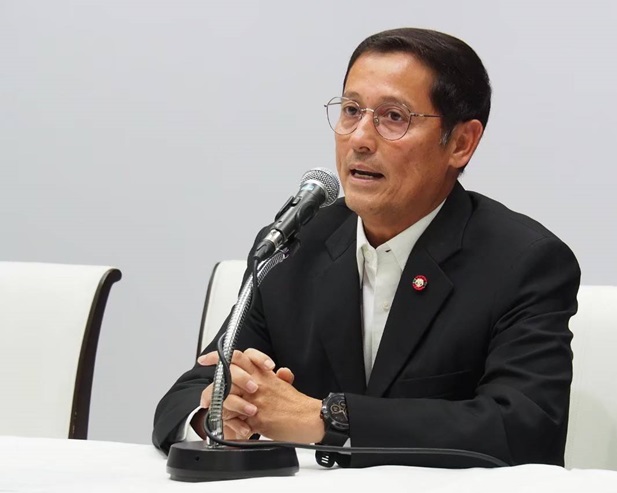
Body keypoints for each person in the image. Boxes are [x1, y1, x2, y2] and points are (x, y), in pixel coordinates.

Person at [152, 27, 580, 469]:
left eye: (393, 117)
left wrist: (325, 420)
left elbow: (523, 430)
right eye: (351, 110)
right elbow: (189, 393)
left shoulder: (523, 263)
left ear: (461, 143)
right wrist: (217, 414)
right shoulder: (294, 247)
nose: (359, 138)